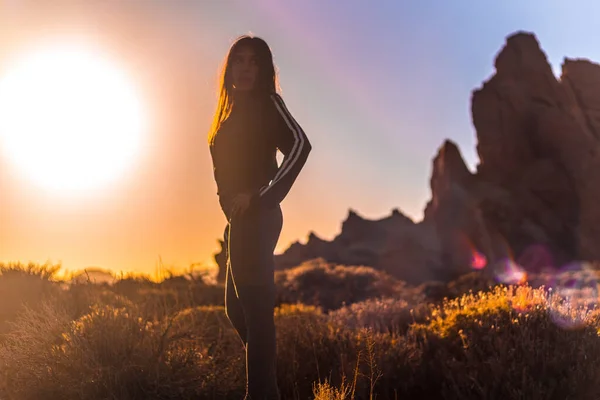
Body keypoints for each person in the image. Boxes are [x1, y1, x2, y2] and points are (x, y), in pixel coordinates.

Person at [207, 34, 312, 400]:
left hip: (259, 216)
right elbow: (223, 176)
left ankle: (261, 393)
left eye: (254, 62)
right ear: (230, 69)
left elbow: (300, 145)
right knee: (237, 311)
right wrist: (230, 209)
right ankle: (271, 389)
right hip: (238, 222)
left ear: (264, 69)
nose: (246, 68)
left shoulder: (268, 104)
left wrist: (261, 197)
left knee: (255, 312)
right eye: (240, 61)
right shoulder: (228, 115)